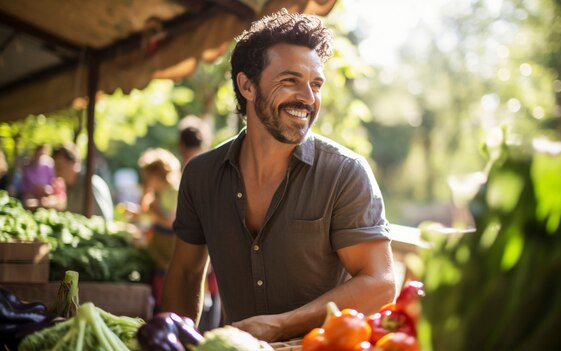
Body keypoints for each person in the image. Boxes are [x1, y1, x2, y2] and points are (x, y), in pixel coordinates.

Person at [161, 9, 396, 342]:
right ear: (247, 85)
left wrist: (279, 325)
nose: (308, 97)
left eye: (316, 84)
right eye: (291, 80)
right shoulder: (200, 175)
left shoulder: (345, 173)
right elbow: (185, 275)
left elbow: (380, 283)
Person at [178, 115, 222, 331]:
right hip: (216, 254)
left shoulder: (191, 170)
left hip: (198, 252)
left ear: (181, 144)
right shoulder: (216, 167)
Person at [136, 147, 181, 313]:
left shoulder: (173, 191)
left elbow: (171, 221)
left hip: (170, 249)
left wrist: (153, 207)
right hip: (158, 249)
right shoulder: (156, 193)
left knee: (166, 288)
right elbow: (145, 213)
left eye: (148, 176)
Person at [52, 144, 114, 221]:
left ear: (73, 163)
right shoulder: (70, 186)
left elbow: (103, 219)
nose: (57, 170)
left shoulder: (91, 184)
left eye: (60, 165)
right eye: (55, 166)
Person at [21, 144, 64, 209]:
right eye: (38, 154)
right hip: (32, 197)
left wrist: (46, 190)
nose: (39, 157)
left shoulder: (49, 165)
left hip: (47, 197)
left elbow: (53, 184)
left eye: (41, 154)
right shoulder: (28, 167)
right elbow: (25, 188)